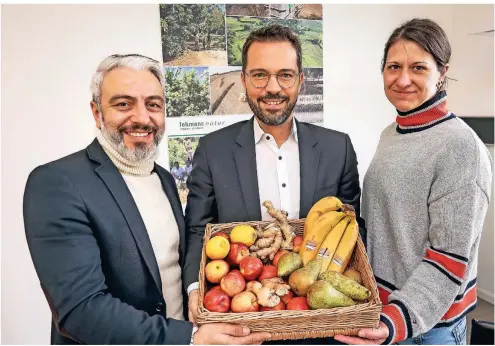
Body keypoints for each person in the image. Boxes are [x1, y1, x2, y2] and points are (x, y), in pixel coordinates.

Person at [23, 53, 271, 345]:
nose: (142, 118)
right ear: (96, 112)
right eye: (123, 104)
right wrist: (190, 339)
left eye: (153, 104)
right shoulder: (57, 182)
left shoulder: (163, 178)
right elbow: (81, 311)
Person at [185, 24, 364, 344]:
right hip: (241, 324)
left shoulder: (338, 148)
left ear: (300, 80)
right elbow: (199, 227)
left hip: (319, 322)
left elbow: (353, 225)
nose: (273, 87)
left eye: (285, 75)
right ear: (243, 80)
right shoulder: (214, 149)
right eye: (259, 75)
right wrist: (195, 289)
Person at [334, 19, 493, 345]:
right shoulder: (391, 134)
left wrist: (397, 321)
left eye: (418, 67)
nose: (403, 79)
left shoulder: (461, 147)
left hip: (427, 326)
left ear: (441, 72)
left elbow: (449, 259)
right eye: (394, 66)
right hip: (381, 309)